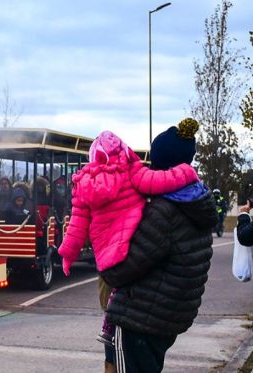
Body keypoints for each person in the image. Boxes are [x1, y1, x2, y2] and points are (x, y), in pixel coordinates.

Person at [58, 123, 200, 348]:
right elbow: (160, 181)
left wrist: (67, 255)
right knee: (122, 287)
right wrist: (187, 172)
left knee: (110, 290)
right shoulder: (132, 172)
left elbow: (76, 227)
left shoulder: (83, 184)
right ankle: (112, 325)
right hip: (131, 239)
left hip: (105, 250)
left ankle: (109, 326)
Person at [100, 119, 217, 372]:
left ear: (159, 164)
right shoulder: (196, 202)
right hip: (166, 317)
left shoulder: (164, 211)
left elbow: (122, 269)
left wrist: (104, 254)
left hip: (139, 319)